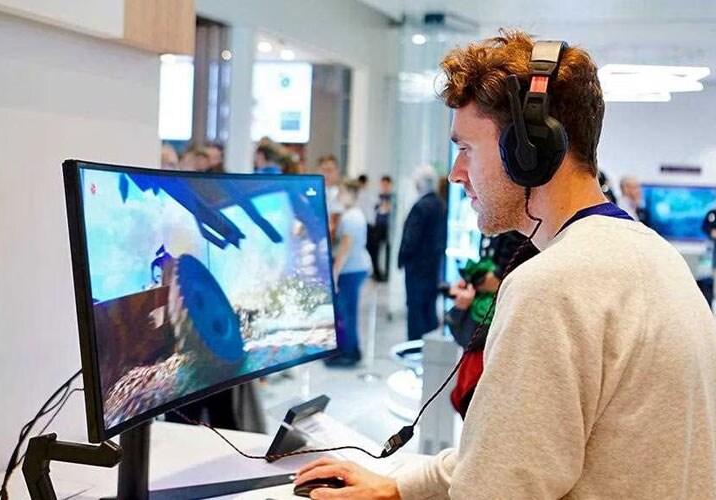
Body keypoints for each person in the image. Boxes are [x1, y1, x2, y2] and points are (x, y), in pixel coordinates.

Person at [295, 30, 716, 499]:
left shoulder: (553, 287)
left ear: (528, 152)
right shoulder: (657, 258)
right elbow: (512, 452)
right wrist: (400, 486)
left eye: (466, 148)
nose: (455, 173)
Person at [446, 231, 538, 418]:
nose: (473, 200)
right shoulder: (497, 224)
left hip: (504, 333)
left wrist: (476, 283)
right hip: (492, 332)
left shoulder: (519, 229)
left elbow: (501, 278)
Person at [398, 165, 447, 341]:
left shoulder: (421, 206)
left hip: (417, 268)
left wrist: (402, 258)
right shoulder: (440, 205)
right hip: (433, 267)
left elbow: (411, 238)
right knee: (429, 310)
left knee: (416, 309)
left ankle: (414, 349)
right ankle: (429, 354)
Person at [326, 179, 371, 367]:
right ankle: (347, 348)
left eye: (342, 191)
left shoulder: (350, 217)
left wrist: (335, 273)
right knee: (347, 311)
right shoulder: (355, 214)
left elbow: (345, 248)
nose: (338, 195)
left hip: (351, 270)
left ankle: (350, 352)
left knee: (347, 312)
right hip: (356, 267)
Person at [318, 154, 344, 241]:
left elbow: (333, 227)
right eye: (323, 170)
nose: (325, 175)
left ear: (337, 172)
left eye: (329, 171)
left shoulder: (340, 194)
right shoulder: (315, 192)